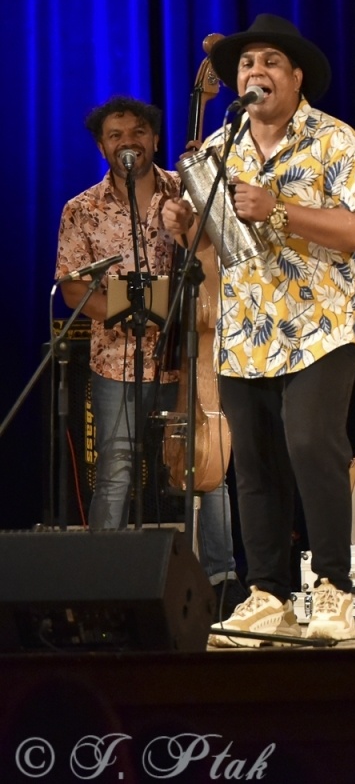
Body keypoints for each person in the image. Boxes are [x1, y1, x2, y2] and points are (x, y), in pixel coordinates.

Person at [162, 13, 355, 644]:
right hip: (243, 329)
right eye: (247, 65)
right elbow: (210, 246)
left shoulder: (335, 141)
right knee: (252, 464)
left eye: (270, 63)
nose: (256, 72)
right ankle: (267, 593)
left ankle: (335, 590)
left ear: (296, 76)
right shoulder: (214, 149)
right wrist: (185, 226)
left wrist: (279, 209)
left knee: (312, 445)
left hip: (321, 324)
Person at [56, 95, 237, 593]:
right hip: (116, 362)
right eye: (115, 135)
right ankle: (101, 581)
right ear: (101, 147)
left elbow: (224, 253)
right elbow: (72, 287)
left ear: (154, 139)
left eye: (137, 132)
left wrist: (191, 233)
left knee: (206, 469)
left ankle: (222, 579)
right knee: (115, 470)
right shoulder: (81, 209)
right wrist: (141, 306)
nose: (127, 142)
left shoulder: (187, 194)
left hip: (189, 356)